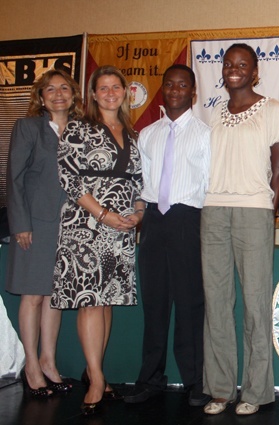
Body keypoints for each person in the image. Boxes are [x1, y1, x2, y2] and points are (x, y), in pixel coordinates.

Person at [201, 43, 279, 416]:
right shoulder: (214, 114)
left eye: (243, 64)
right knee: (217, 303)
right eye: (228, 64)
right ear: (222, 71)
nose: (234, 69)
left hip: (255, 211)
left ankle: (255, 390)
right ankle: (221, 389)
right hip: (213, 211)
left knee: (255, 304)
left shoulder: (272, 110)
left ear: (255, 72)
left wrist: (267, 212)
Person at [50, 65, 144, 415]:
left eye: (115, 87)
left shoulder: (132, 133)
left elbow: (138, 184)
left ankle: (96, 374)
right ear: (92, 94)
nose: (109, 93)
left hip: (121, 226)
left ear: (125, 92)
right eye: (102, 88)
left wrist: (137, 215)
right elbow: (70, 180)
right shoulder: (78, 128)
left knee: (105, 301)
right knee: (90, 300)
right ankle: (97, 380)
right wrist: (103, 215)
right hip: (85, 224)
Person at [124, 65, 211, 407]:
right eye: (169, 85)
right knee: (155, 304)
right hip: (154, 223)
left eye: (183, 85)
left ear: (193, 92)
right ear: (162, 90)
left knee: (190, 305)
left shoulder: (206, 134)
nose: (175, 90)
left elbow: (208, 185)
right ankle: (150, 379)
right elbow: (144, 185)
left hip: (189, 219)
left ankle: (195, 382)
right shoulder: (148, 134)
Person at [6, 69, 82, 397]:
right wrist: (20, 223)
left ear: (73, 94)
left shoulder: (81, 130)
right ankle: (32, 367)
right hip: (35, 225)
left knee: (54, 295)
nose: (58, 93)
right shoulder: (28, 127)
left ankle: (49, 361)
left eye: (64, 88)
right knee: (33, 295)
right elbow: (14, 177)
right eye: (50, 89)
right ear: (40, 96)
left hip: (70, 225)